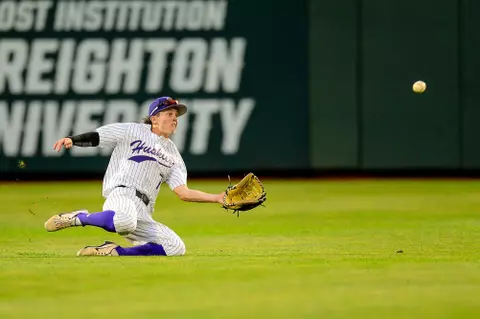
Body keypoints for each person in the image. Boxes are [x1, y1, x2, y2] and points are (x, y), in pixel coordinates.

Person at [44, 97, 225, 257]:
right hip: (122, 195)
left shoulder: (174, 156)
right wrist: (73, 139)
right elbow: (99, 136)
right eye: (169, 114)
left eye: (176, 116)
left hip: (143, 210)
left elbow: (183, 193)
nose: (174, 119)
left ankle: (115, 251)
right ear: (154, 118)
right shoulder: (132, 131)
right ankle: (80, 218)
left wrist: (217, 198)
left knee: (176, 247)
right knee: (124, 221)